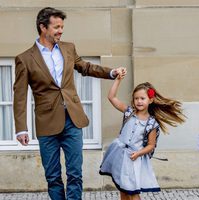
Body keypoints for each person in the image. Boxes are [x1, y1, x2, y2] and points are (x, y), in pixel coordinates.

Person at [13, 7, 126, 200]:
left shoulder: (68, 48)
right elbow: (20, 95)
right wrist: (21, 129)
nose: (60, 31)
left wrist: (110, 72)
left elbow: (86, 67)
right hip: (47, 124)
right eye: (56, 27)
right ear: (43, 27)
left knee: (75, 174)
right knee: (53, 177)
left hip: (73, 121)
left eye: (62, 27)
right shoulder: (25, 59)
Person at [99, 75, 185, 200]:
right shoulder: (129, 112)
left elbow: (150, 145)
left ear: (150, 100)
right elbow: (111, 97)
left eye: (142, 98)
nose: (139, 101)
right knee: (123, 190)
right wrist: (118, 80)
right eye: (136, 98)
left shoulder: (152, 124)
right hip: (119, 156)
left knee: (133, 192)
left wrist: (139, 153)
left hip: (133, 159)